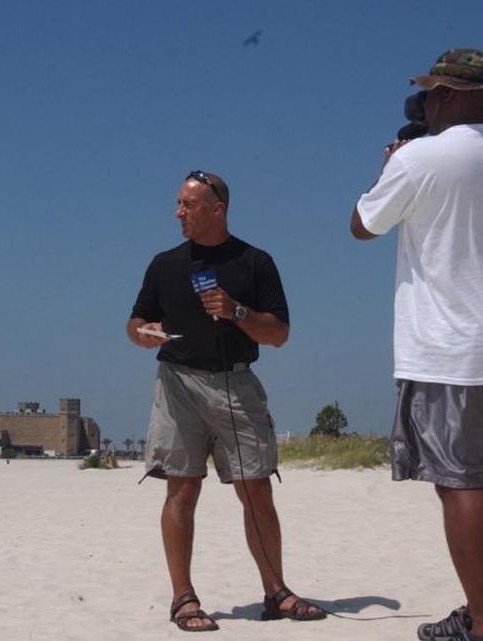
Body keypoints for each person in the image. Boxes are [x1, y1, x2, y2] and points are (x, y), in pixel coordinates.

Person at [350, 49, 483, 641]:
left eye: (428, 94)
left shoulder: (422, 157)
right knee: (478, 481)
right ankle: (482, 613)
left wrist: (390, 164)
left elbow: (362, 224)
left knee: (458, 483)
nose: (422, 103)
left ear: (446, 94)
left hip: (448, 346)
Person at [128, 170, 326, 632]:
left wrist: (236, 312)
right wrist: (141, 335)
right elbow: (135, 320)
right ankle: (184, 598)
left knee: (256, 488)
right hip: (176, 383)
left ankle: (276, 591)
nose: (178, 212)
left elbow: (279, 333)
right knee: (182, 488)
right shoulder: (164, 264)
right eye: (178, 204)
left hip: (237, 385)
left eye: (188, 205)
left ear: (218, 208)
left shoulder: (255, 262)